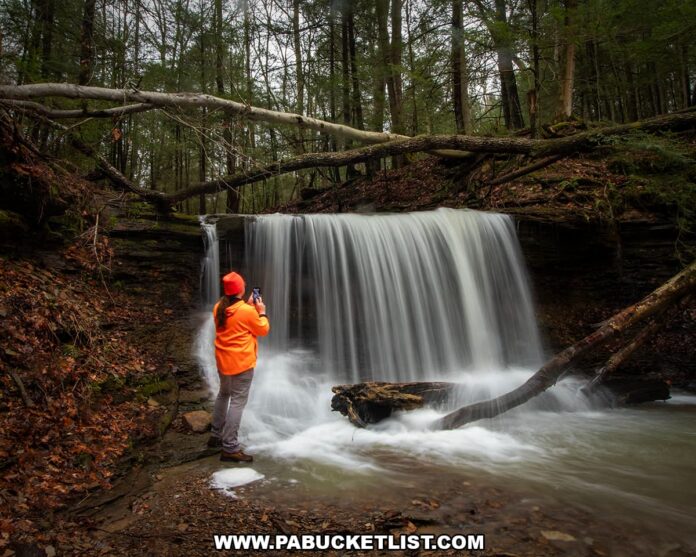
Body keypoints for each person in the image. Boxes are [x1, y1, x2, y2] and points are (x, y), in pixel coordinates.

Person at [208, 271, 269, 462]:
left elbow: (237, 321)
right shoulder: (247, 311)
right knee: (237, 402)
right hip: (241, 363)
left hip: (223, 362)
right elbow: (262, 329)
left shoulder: (218, 307)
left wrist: (248, 306)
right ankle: (230, 447)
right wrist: (261, 312)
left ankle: (215, 435)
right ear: (241, 289)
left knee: (223, 394)